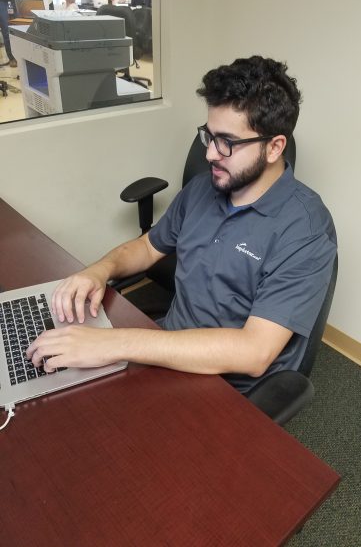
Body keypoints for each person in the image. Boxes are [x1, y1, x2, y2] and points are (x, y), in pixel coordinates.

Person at [26, 55, 337, 394]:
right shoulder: (203, 188)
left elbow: (254, 352)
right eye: (209, 136)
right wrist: (98, 271)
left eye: (227, 142)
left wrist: (114, 343)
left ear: (275, 147)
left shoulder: (306, 230)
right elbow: (147, 247)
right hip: (165, 350)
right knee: (56, 389)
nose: (210, 154)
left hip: (226, 391)